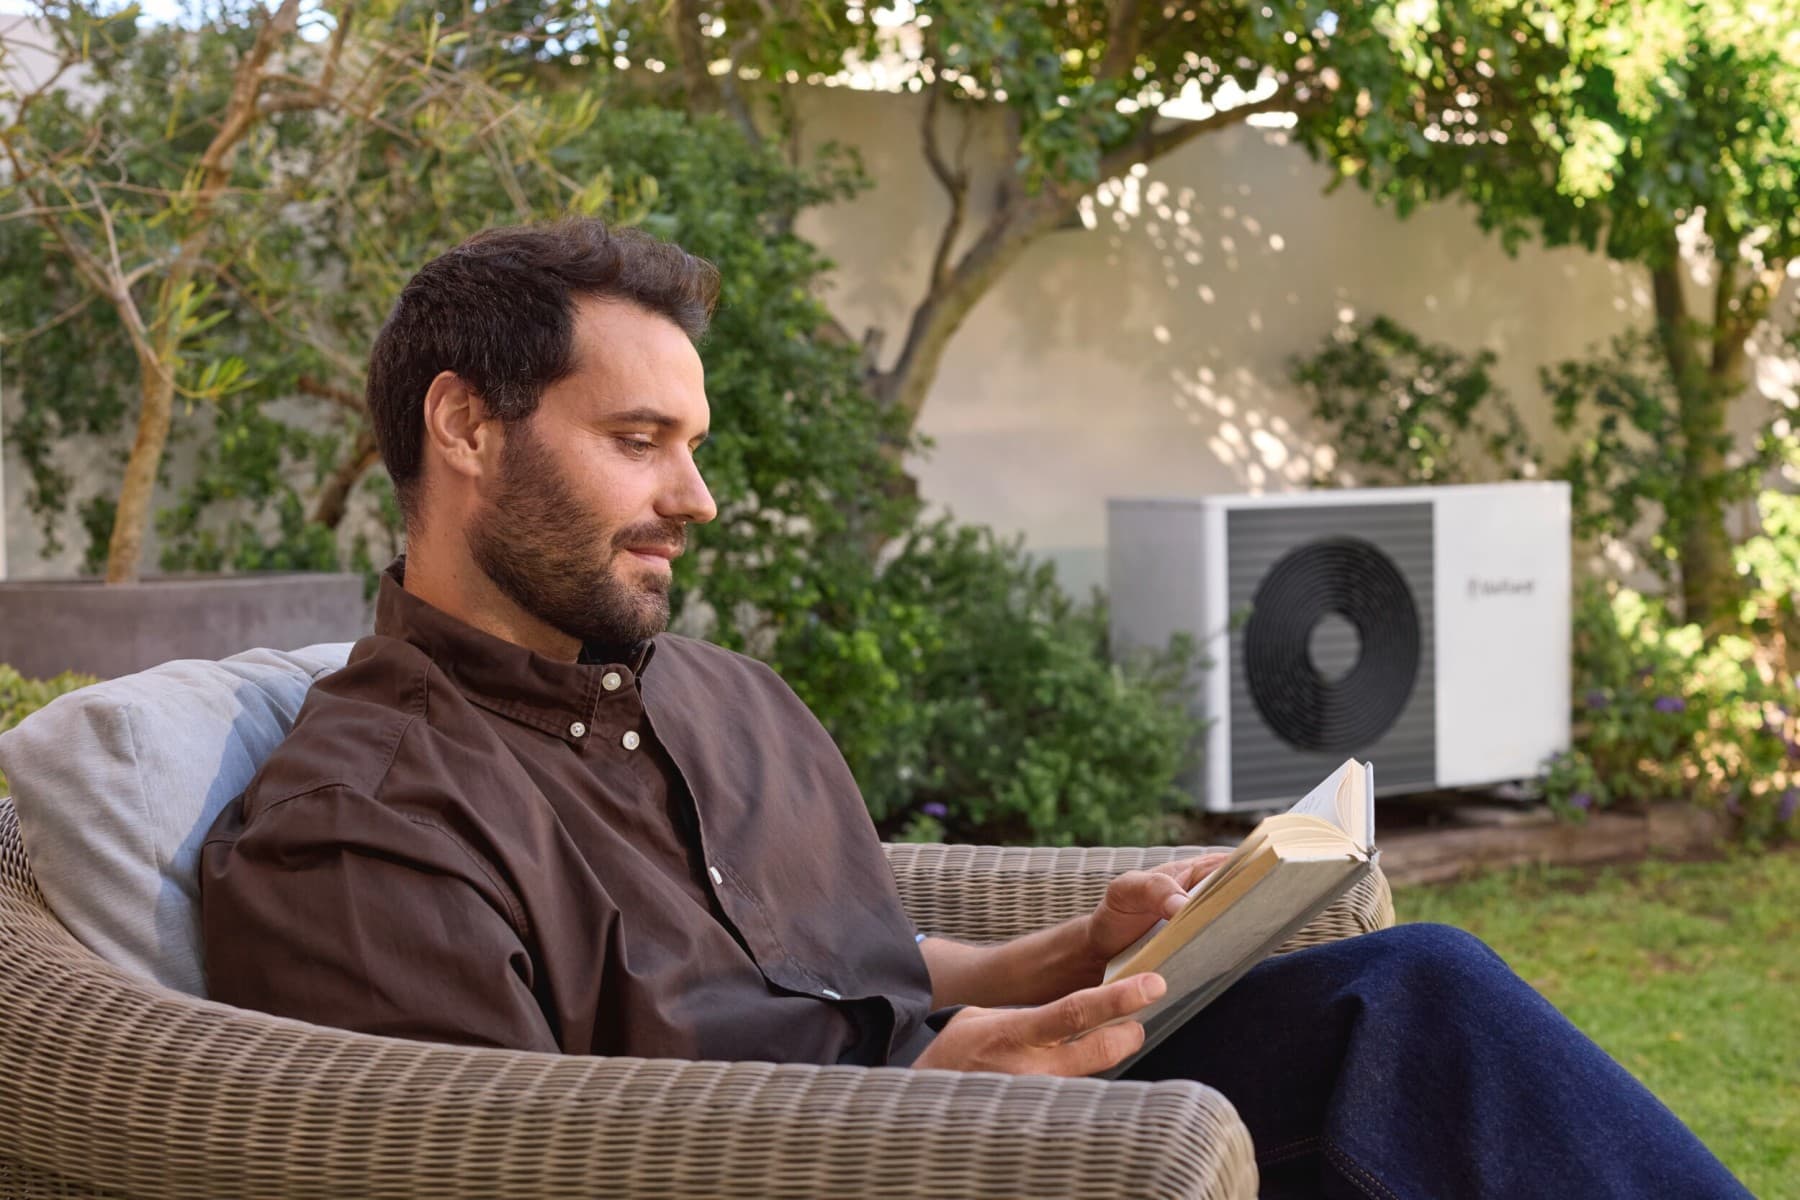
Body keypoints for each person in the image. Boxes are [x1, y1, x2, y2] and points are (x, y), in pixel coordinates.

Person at [200, 219, 1750, 1199]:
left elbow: (847, 962)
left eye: (696, 442)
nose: (700, 496)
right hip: (863, 1173)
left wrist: (1079, 956)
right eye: (641, 439)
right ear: (466, 426)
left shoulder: (718, 698)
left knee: (1402, 998)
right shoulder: (368, 819)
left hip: (980, 1109)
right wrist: (920, 1105)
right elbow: (501, 1155)